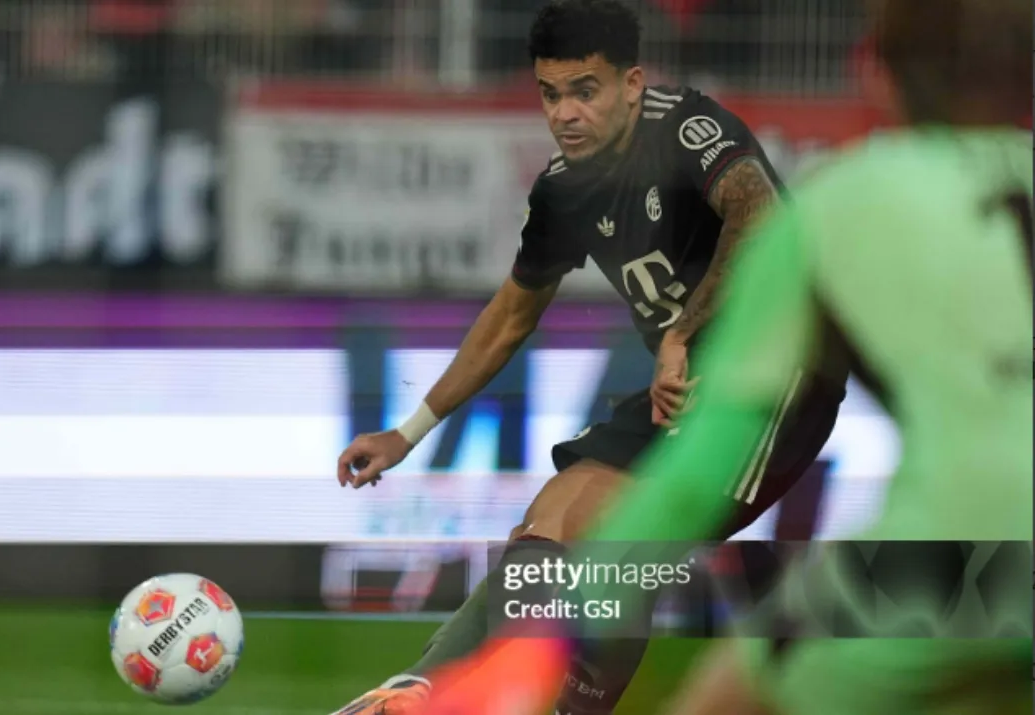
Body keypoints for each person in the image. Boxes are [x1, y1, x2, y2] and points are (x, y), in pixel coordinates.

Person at [417, 0, 1034, 713]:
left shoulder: (831, 209)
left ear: (873, 74)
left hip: (954, 560)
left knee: (723, 697)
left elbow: (691, 478)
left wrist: (560, 625)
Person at [331, 1, 849, 713]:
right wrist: (408, 430)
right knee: (551, 521)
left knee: (621, 540)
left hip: (779, 381)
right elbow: (511, 315)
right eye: (551, 94)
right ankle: (425, 690)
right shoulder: (563, 190)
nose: (565, 113)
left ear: (631, 84)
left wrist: (681, 333)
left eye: (585, 90)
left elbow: (759, 212)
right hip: (687, 389)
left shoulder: (686, 129)